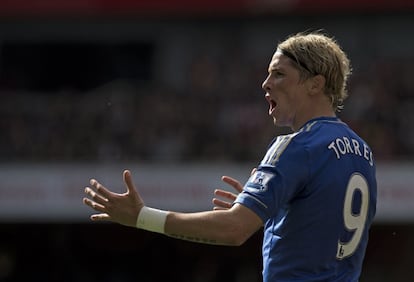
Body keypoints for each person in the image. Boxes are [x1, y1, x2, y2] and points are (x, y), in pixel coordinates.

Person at [83, 30, 377, 281]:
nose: (266, 84)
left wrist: (142, 218)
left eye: (279, 74)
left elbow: (234, 229)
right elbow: (319, 234)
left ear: (316, 83)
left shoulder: (296, 146)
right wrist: (271, 211)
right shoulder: (363, 152)